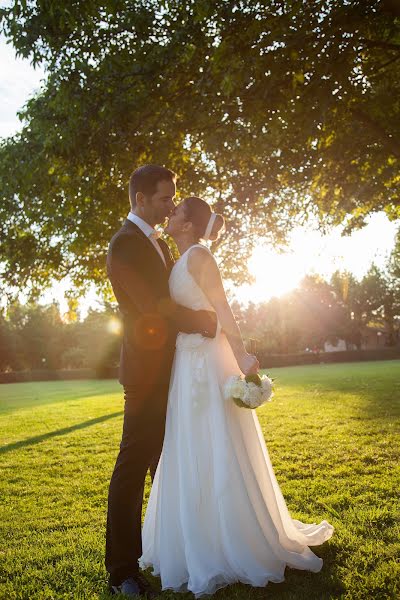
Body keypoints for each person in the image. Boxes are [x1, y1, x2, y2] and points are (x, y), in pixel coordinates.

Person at [139, 196, 334, 597]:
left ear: (190, 225)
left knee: (217, 442)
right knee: (188, 444)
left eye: (177, 211)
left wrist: (242, 353)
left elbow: (223, 308)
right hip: (184, 363)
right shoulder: (176, 259)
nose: (170, 213)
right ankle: (196, 536)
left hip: (208, 363)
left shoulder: (198, 257)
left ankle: (234, 539)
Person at [105, 167, 218, 597]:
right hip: (145, 375)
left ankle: (176, 548)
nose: (172, 205)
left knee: (167, 466)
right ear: (140, 201)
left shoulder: (155, 242)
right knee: (133, 466)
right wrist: (203, 323)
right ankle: (121, 570)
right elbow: (155, 307)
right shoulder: (125, 245)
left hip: (173, 371)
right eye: (164, 199)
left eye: (173, 199)